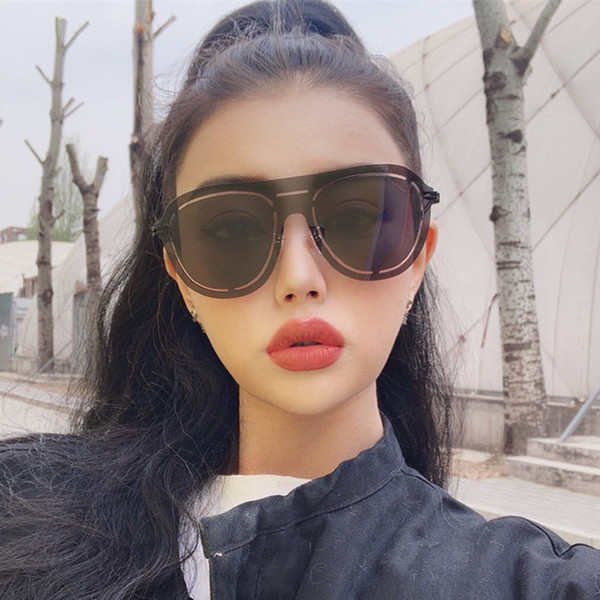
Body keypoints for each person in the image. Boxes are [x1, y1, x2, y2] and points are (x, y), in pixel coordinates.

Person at [1, 1, 598, 598]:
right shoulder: (24, 520)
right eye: (232, 228)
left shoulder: (528, 583)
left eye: (355, 218)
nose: (298, 277)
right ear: (179, 274)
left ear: (418, 255)